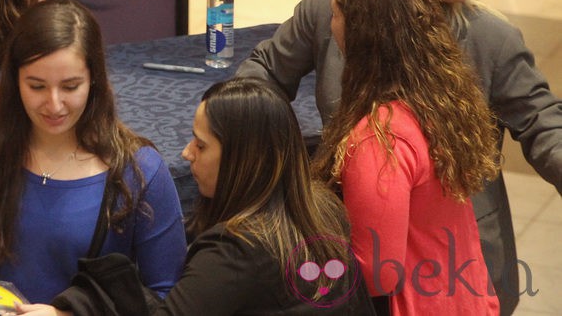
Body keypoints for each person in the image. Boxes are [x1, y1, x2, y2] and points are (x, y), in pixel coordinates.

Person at [235, 0, 562, 314]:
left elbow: (545, 125)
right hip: (361, 245)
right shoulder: (334, 4)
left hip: (451, 267)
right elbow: (265, 73)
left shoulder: (491, 38)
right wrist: (271, 159)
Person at [24, 78, 373, 315]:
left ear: (241, 160)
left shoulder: (237, 250)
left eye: (201, 145)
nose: (187, 153)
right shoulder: (323, 207)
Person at [0, 0, 187, 315]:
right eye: (37, 86)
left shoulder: (139, 171)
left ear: (94, 80)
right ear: (14, 82)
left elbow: (167, 298)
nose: (54, 104)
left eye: (70, 86)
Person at [314, 0, 501, 314]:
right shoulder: (441, 101)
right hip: (464, 300)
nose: (330, 23)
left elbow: (377, 274)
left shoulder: (379, 139)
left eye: (336, 11)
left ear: (360, 31)